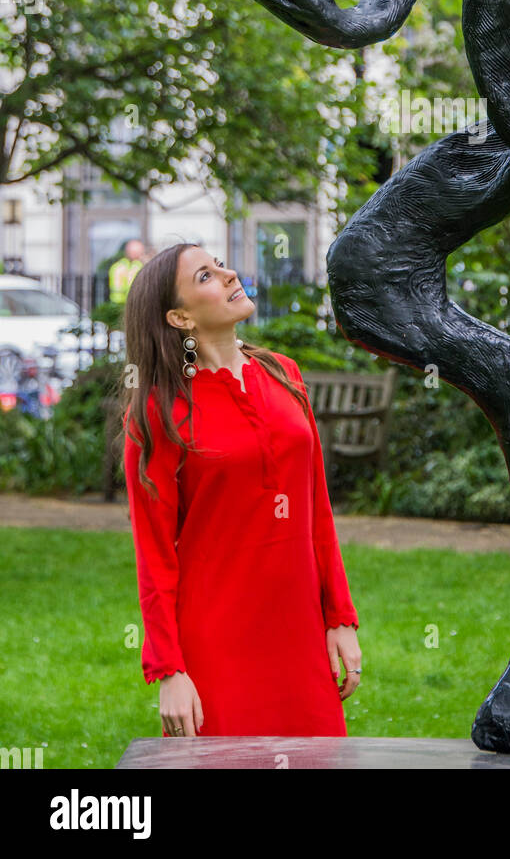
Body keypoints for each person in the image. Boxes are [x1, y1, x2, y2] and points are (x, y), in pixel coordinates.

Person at [120, 241, 361, 737]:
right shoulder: (157, 412)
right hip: (216, 639)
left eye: (221, 266)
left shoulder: (284, 374)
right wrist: (170, 669)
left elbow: (317, 510)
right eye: (205, 277)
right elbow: (154, 552)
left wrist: (339, 616)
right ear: (180, 318)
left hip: (299, 632)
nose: (229, 275)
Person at [109, 239, 145, 305]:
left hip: (118, 304)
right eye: (140, 252)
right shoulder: (138, 266)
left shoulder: (117, 266)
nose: (141, 254)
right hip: (128, 303)